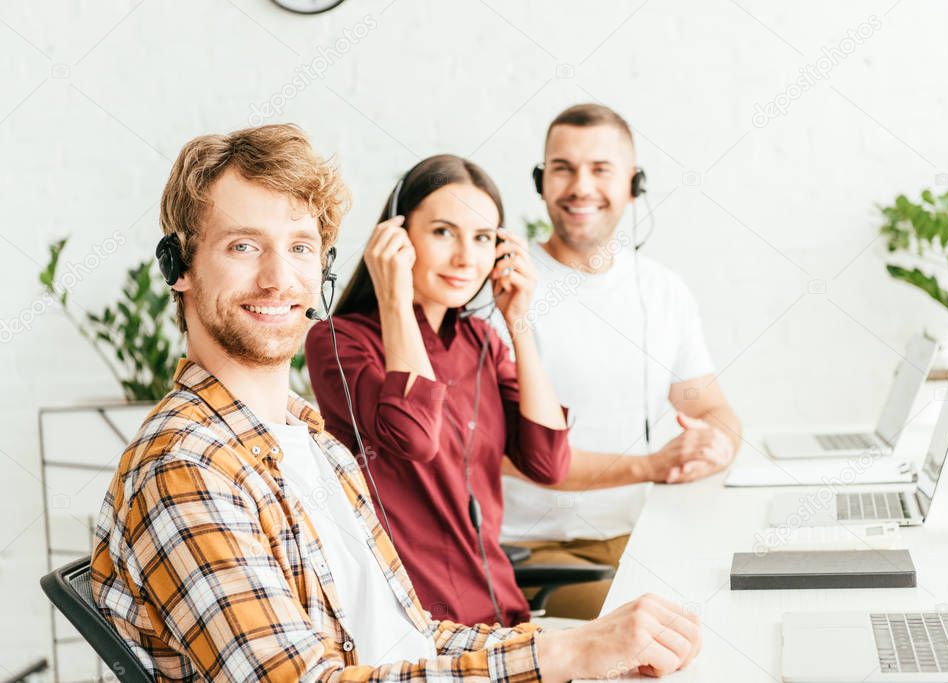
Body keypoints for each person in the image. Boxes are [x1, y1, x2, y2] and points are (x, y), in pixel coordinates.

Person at [90, 124, 703, 681]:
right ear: (178, 266)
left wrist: (569, 653)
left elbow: (410, 636)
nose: (280, 278)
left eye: (301, 247)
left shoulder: (313, 442)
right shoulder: (185, 467)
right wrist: (561, 655)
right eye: (243, 246)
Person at [498, 104, 743, 619]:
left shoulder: (661, 290)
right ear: (541, 182)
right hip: (536, 555)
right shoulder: (506, 290)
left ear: (635, 184)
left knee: (738, 611)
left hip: (643, 536)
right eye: (562, 168)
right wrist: (654, 466)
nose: (580, 186)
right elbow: (499, 452)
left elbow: (713, 408)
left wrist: (715, 443)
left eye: (601, 169)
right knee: (664, 644)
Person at [305, 155, 570, 627]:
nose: (467, 257)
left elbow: (548, 463)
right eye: (444, 232)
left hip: (504, 616)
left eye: (483, 238)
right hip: (415, 629)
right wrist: (394, 295)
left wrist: (519, 321)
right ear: (397, 239)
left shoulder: (484, 343)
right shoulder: (338, 342)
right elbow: (414, 435)